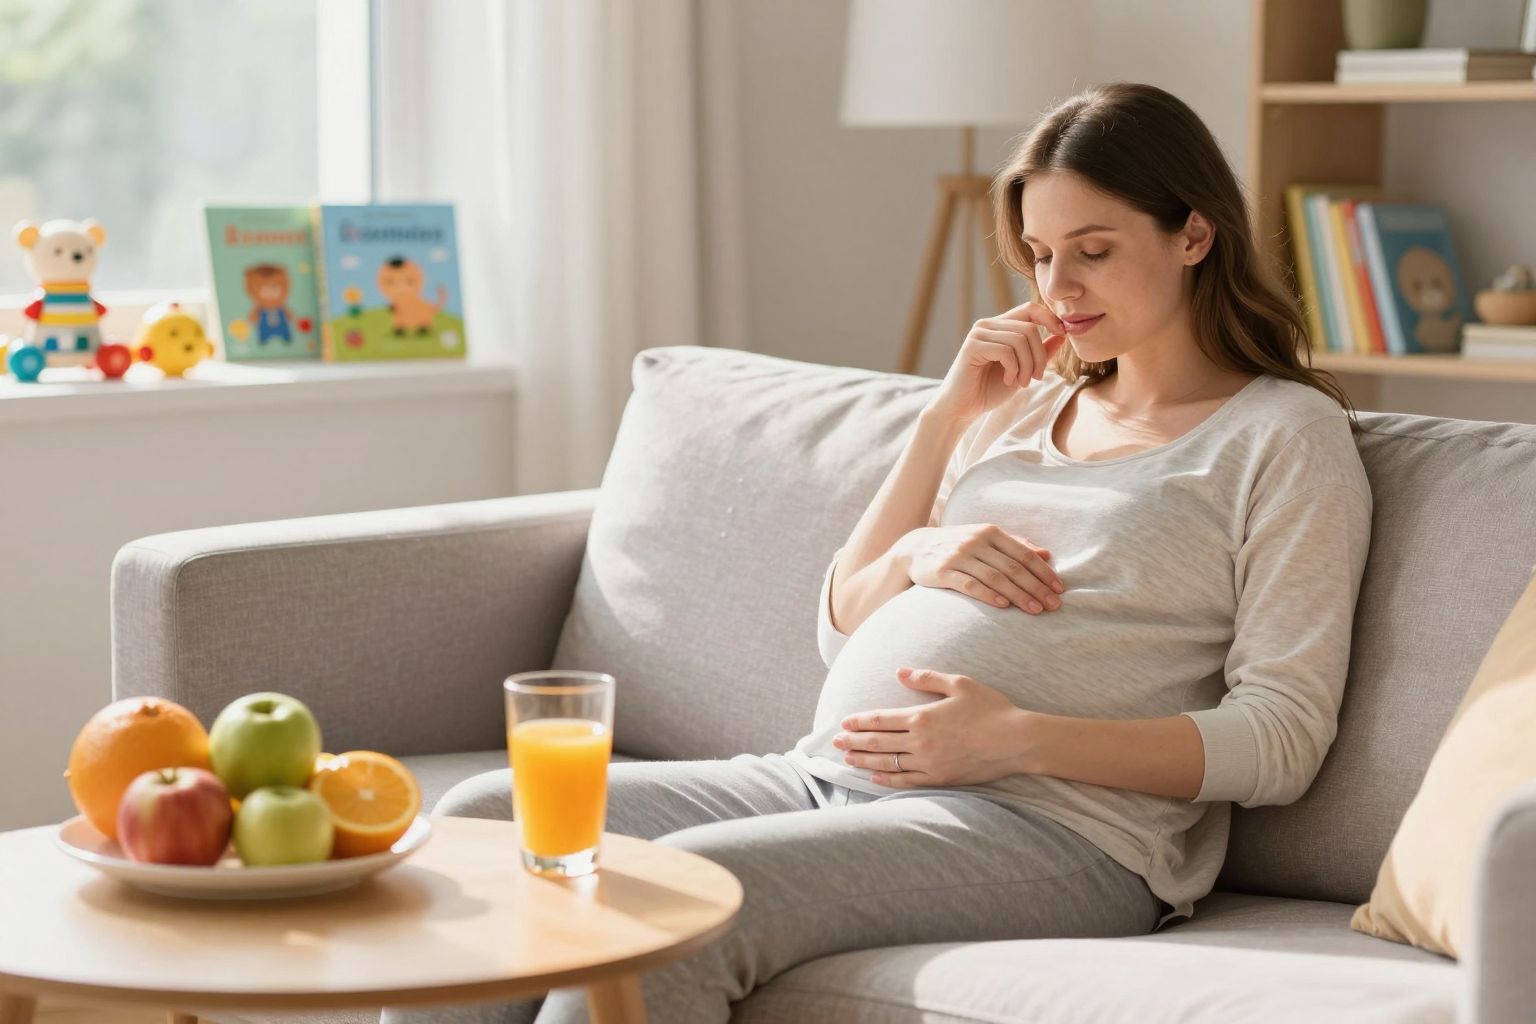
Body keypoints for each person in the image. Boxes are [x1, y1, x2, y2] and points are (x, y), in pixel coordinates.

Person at [379, 80, 1373, 1024]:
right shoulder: (1021, 406)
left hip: (1057, 829)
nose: (1057, 288)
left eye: (1094, 251)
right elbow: (839, 619)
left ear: (1194, 233)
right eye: (1037, 253)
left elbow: (1280, 739)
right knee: (487, 817)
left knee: (672, 903)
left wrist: (1018, 736)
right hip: (826, 778)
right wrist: (942, 438)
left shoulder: (1282, 438)